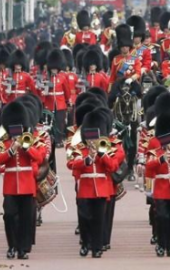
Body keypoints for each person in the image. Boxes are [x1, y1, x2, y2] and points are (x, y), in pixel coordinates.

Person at [67, 107, 125, 258]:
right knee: (84, 218)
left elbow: (112, 166)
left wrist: (101, 154)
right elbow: (71, 164)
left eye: (95, 136)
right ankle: (85, 243)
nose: (92, 140)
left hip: (101, 188)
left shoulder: (105, 149)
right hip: (85, 189)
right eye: (90, 136)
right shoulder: (80, 149)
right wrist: (86, 160)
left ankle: (97, 248)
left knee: (99, 219)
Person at [0, 102, 48, 260]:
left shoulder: (31, 140)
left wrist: (26, 147)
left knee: (26, 218)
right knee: (9, 215)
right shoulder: (4, 142)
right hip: (10, 186)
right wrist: (12, 149)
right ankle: (12, 245)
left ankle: (23, 249)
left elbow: (39, 158)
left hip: (27, 185)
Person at [144, 114, 170, 257]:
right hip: (161, 189)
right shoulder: (155, 153)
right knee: (161, 217)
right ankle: (161, 244)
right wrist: (161, 158)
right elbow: (149, 166)